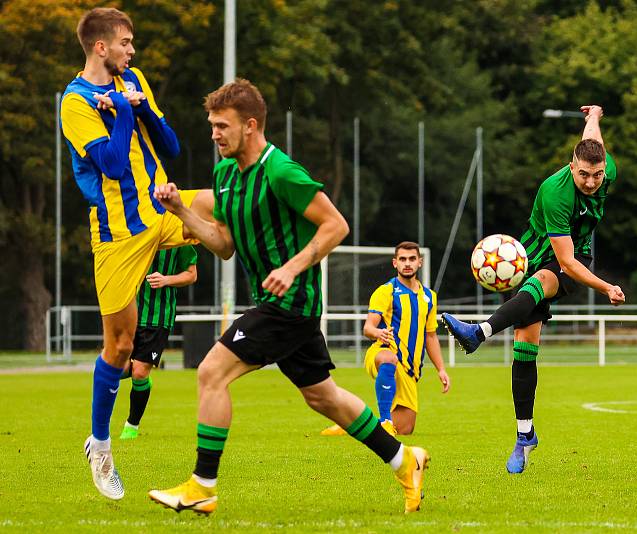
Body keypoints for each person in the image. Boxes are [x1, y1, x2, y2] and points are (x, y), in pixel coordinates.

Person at [147, 79, 430, 515]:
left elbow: (336, 225)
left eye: (222, 126)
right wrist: (183, 212)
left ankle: (202, 485)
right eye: (212, 126)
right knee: (324, 397)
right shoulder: (224, 174)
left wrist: (291, 267)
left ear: (251, 125)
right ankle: (404, 459)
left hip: (290, 303)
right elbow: (222, 246)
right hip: (279, 304)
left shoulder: (282, 172)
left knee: (211, 372)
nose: (214, 134)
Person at [60, 7, 212, 500]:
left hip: (161, 205)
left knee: (224, 202)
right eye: (126, 42)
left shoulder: (133, 79)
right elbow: (108, 163)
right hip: (116, 233)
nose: (132, 50)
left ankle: (280, 285)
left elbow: (170, 145)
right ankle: (100, 446)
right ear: (101, 47)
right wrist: (123, 113)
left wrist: (139, 105)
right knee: (120, 347)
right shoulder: (74, 102)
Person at [442, 105, 625, 474]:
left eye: (597, 175)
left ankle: (479, 332)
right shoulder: (555, 194)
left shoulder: (604, 170)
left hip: (569, 261)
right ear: (572, 167)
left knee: (543, 282)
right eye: (585, 175)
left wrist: (594, 117)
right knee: (525, 349)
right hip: (539, 255)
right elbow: (564, 259)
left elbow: (592, 142)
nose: (592, 182)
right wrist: (608, 287)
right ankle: (525, 436)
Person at [322, 241, 450, 437]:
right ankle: (385, 421)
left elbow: (430, 336)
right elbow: (368, 327)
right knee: (389, 358)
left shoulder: (429, 297)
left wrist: (441, 369)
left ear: (420, 262)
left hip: (410, 368)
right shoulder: (386, 291)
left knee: (406, 428)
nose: (407, 263)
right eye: (403, 259)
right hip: (383, 353)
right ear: (395, 263)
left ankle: (349, 426)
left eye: (412, 259)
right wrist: (377, 332)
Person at [119, 246, 198, 440]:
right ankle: (142, 379)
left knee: (138, 372)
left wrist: (166, 279)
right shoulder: (135, 227)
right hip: (128, 312)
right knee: (115, 369)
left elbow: (191, 275)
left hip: (157, 317)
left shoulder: (178, 233)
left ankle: (131, 425)